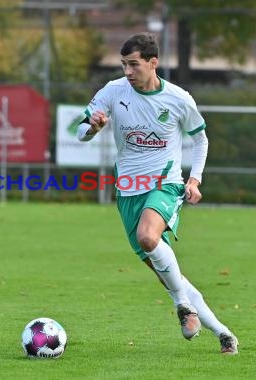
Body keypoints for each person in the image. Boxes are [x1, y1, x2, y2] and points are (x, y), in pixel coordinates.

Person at [77, 33, 239, 354]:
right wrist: (92, 128)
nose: (127, 71)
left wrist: (194, 180)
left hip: (165, 184)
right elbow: (81, 131)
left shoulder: (179, 99)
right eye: (123, 64)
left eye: (133, 64)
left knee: (149, 239)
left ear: (153, 63)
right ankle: (223, 333)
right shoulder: (114, 91)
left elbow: (201, 140)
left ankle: (182, 306)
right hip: (128, 193)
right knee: (171, 276)